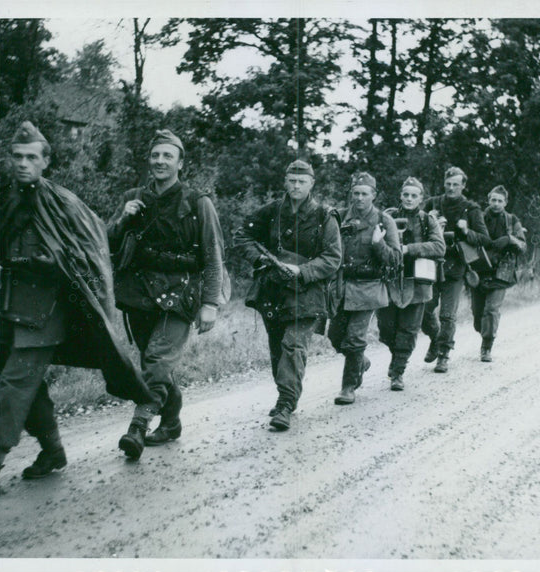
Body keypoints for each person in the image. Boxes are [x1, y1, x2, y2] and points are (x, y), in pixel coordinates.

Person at [0, 121, 156, 501]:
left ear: (46, 161)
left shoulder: (63, 201)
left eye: (31, 157)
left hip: (47, 311)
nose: (22, 164)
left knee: (17, 381)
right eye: (16, 156)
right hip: (7, 304)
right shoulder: (4, 199)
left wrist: (54, 262)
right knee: (24, 381)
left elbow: (93, 246)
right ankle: (52, 450)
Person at [107, 130, 225, 457]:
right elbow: (106, 243)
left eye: (167, 156)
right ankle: (171, 422)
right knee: (154, 363)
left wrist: (210, 304)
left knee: (157, 363)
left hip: (181, 293)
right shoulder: (135, 197)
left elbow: (213, 256)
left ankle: (137, 427)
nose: (160, 161)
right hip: (139, 296)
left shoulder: (198, 203)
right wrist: (122, 220)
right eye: (155, 155)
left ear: (180, 163)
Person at [234, 160, 342, 430]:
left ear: (311, 184)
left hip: (308, 291)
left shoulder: (324, 216)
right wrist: (260, 260)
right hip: (273, 290)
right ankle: (285, 395)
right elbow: (241, 236)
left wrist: (303, 270)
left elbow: (332, 258)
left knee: (293, 347)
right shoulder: (271, 212)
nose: (295, 185)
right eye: (291, 180)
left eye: (301, 181)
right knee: (277, 347)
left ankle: (285, 403)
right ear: (285, 181)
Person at [328, 172, 401, 405]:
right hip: (341, 285)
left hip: (369, 287)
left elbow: (396, 259)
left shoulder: (384, 221)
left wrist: (379, 244)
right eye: (355, 193)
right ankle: (360, 361)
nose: (359, 198)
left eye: (364, 194)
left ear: (374, 195)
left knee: (355, 338)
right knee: (335, 336)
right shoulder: (338, 217)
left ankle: (348, 387)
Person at [376, 177, 445, 390]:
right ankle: (397, 356)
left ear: (421, 198)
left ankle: (397, 372)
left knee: (408, 329)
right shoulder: (388, 216)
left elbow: (439, 247)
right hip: (390, 280)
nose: (409, 198)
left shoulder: (427, 221)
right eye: (405, 194)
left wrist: (409, 249)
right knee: (386, 329)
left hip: (417, 281)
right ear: (400, 195)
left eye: (414, 195)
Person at [421, 166, 490, 373]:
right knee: (423, 309)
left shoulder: (471, 208)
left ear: (463, 186)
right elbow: (415, 230)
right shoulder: (433, 203)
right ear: (444, 183)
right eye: (448, 184)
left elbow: (485, 238)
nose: (451, 188)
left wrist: (466, 230)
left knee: (448, 315)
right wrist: (428, 220)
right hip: (431, 265)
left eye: (455, 185)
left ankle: (443, 355)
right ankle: (435, 338)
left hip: (455, 266)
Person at [470, 185, 526, 362]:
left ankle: (486, 346)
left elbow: (523, 245)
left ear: (506, 202)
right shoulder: (479, 217)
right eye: (493, 200)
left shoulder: (512, 220)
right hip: (479, 269)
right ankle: (485, 331)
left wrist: (509, 239)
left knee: (492, 310)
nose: (496, 204)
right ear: (488, 199)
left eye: (500, 201)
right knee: (477, 314)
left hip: (502, 272)